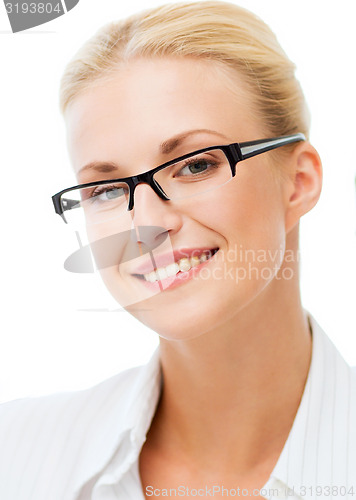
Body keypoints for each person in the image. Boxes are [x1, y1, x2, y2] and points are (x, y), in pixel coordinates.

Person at [1, 2, 355, 499]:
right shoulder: (15, 456)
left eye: (194, 165)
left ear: (298, 182)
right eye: (106, 191)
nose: (145, 223)